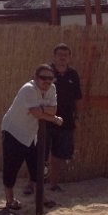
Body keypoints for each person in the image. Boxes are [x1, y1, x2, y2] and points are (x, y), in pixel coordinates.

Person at [1, 64, 63, 210]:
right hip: (13, 131)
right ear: (35, 78)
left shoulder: (52, 89)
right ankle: (10, 199)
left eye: (50, 78)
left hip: (30, 134)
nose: (47, 81)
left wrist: (43, 110)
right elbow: (37, 114)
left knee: (37, 166)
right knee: (12, 166)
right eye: (43, 77)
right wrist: (54, 119)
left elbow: (53, 109)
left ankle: (40, 197)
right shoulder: (28, 89)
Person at [46, 43, 82, 191]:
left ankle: (53, 184)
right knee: (38, 152)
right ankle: (31, 184)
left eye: (65, 55)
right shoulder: (46, 72)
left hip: (65, 120)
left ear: (69, 57)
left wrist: (77, 116)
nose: (62, 58)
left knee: (58, 154)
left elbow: (77, 98)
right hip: (46, 118)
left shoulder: (73, 75)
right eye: (60, 55)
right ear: (54, 56)